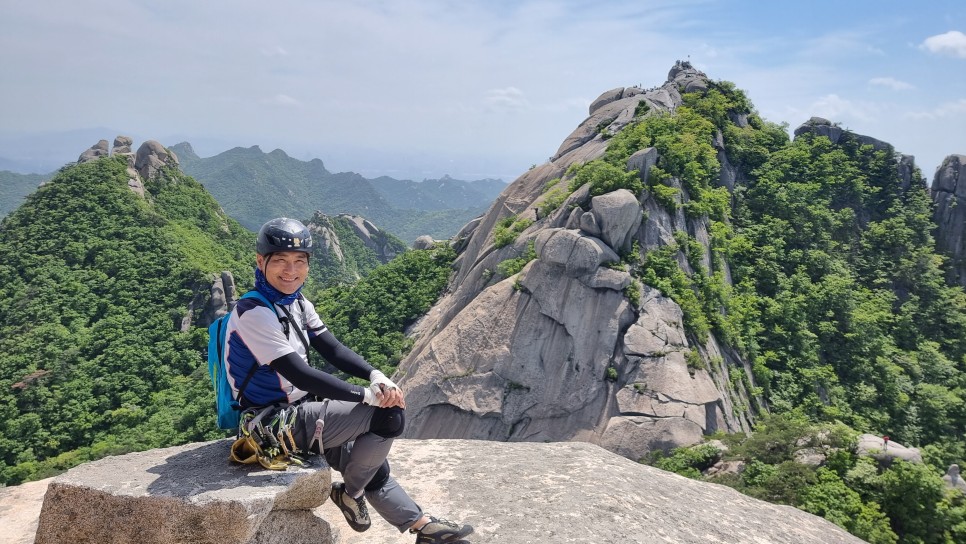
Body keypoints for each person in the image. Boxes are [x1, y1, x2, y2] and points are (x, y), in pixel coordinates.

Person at [224, 217, 473, 543]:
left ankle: (423, 527)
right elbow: (299, 373)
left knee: (372, 465)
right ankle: (350, 494)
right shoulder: (254, 312)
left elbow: (333, 349)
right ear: (261, 262)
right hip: (274, 421)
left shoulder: (297, 303)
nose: (291, 270)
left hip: (303, 410)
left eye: (299, 261)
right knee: (387, 416)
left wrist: (375, 375)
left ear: (309, 264)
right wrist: (365, 396)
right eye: (280, 261)